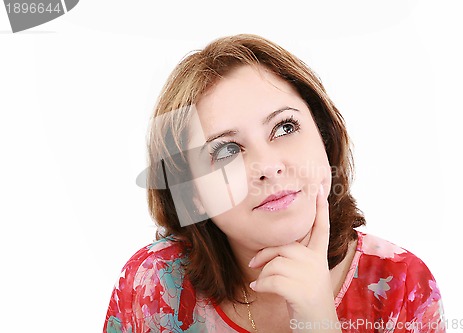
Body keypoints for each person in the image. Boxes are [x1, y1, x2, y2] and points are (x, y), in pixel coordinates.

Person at [104, 34, 445, 332]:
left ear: (324, 137)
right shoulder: (153, 287)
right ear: (192, 196)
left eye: (285, 128)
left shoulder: (402, 286)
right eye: (226, 150)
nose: (267, 166)